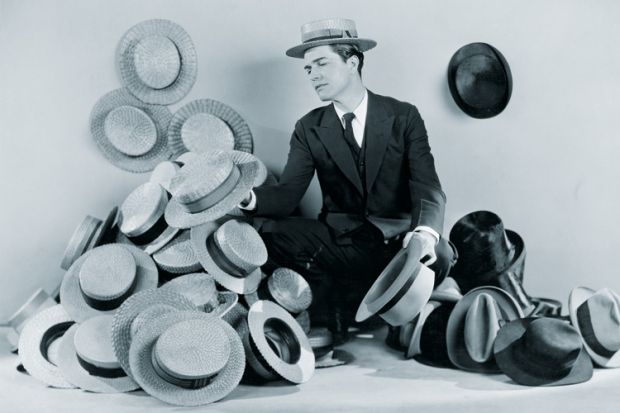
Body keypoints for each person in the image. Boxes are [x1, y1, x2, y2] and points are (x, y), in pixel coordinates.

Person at [240, 18, 456, 344]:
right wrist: (247, 199)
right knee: (272, 233)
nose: (312, 74)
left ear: (352, 62)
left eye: (321, 63)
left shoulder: (403, 116)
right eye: (308, 68)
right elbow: (287, 196)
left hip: (400, 243)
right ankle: (334, 310)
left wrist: (423, 234)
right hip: (344, 243)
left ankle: (406, 318)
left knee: (440, 250)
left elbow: (428, 185)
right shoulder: (308, 127)